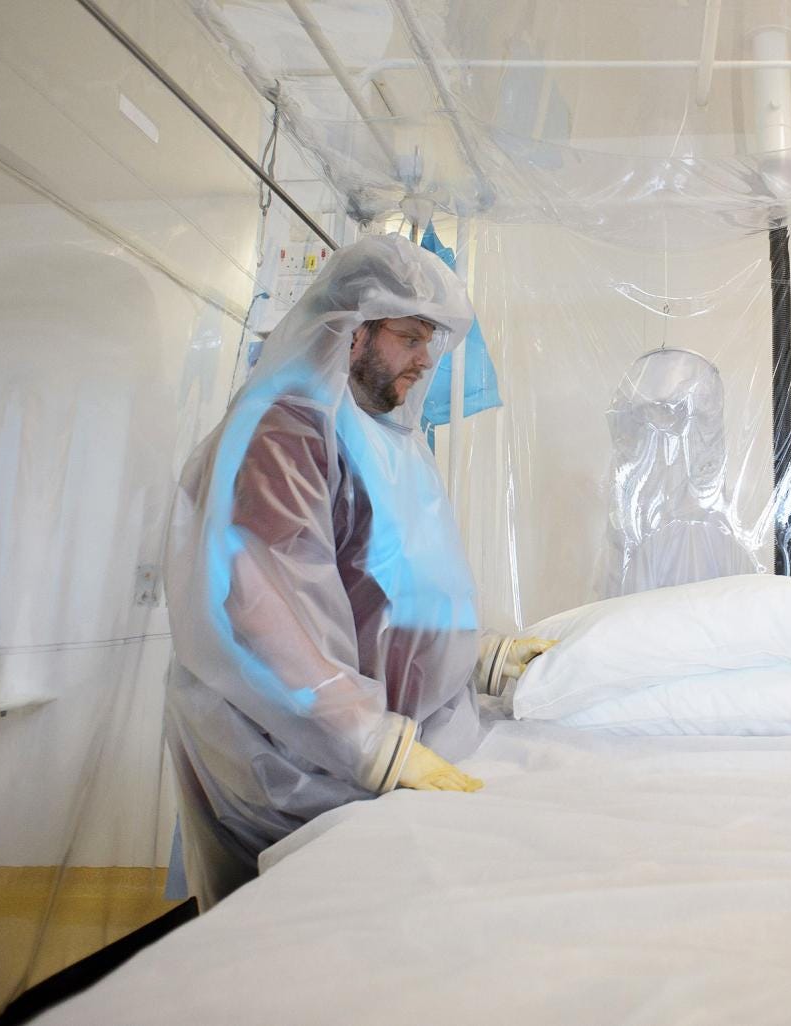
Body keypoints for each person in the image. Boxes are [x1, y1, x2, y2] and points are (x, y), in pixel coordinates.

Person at [163, 235, 549, 907]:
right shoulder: (281, 433)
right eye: (409, 337)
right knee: (285, 954)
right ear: (352, 330)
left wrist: (478, 657)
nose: (425, 358)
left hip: (353, 743)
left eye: (430, 339)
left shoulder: (383, 433)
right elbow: (259, 612)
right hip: (291, 755)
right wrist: (369, 743)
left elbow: (392, 589)